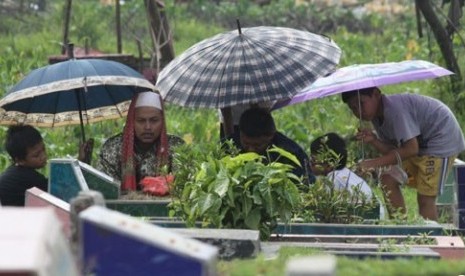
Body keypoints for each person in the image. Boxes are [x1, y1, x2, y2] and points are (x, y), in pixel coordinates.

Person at [341, 87, 465, 220]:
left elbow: (411, 149)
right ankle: (400, 226)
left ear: (376, 94)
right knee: (387, 178)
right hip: (419, 147)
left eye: (361, 103)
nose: (358, 111)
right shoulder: (376, 116)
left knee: (425, 198)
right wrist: (374, 140)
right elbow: (395, 151)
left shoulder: (395, 110)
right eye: (353, 108)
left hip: (440, 139)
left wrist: (373, 163)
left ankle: (431, 238)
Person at [96, 91, 184, 192]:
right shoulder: (113, 148)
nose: (147, 127)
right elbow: (104, 188)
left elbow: (182, 189)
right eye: (141, 121)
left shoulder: (176, 146)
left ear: (162, 121)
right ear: (132, 121)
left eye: (154, 120)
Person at [224, 107, 315, 186]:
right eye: (246, 144)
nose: (251, 150)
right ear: (240, 134)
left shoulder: (291, 152)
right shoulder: (229, 145)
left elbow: (306, 184)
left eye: (257, 145)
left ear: (270, 137)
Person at [310, 132, 373, 200]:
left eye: (313, 161)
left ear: (329, 165)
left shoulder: (333, 180)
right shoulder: (346, 173)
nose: (309, 164)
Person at [0, 125, 48, 206]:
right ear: (19, 160)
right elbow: (56, 194)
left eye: (43, 149)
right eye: (36, 155)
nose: (43, 156)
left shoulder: (13, 172)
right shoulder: (29, 178)